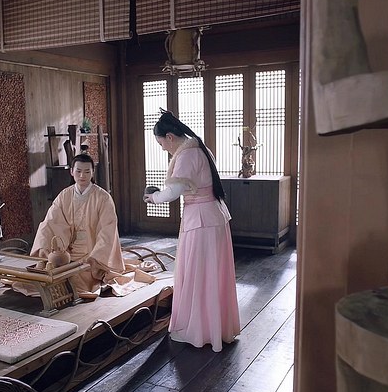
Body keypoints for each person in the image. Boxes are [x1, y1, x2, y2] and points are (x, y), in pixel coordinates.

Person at [143, 111, 240, 352]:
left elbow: (173, 192)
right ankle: (216, 328)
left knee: (199, 273)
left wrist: (153, 198)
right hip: (214, 216)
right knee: (213, 273)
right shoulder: (201, 148)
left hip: (201, 221)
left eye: (162, 144)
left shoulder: (186, 155)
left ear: (170, 137)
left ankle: (199, 330)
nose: (164, 149)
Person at [30, 153, 125, 296]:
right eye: (78, 171)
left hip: (92, 252)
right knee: (44, 276)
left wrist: (95, 258)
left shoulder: (103, 198)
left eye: (87, 172)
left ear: (93, 172)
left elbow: (107, 232)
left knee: (74, 281)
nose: (82, 176)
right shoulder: (64, 195)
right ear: (71, 171)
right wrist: (49, 250)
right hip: (67, 251)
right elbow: (51, 222)